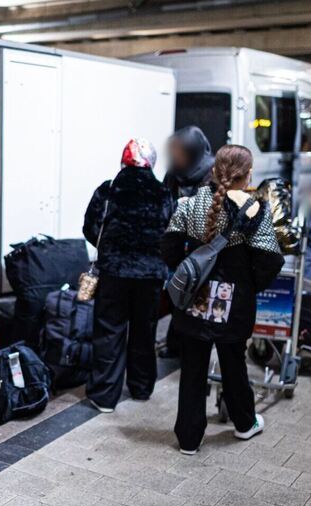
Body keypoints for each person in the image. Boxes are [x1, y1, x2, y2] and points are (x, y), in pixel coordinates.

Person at [162, 145, 284, 454]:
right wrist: (247, 286)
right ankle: (244, 424)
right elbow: (270, 260)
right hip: (235, 306)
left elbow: (169, 246)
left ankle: (189, 439)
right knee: (234, 364)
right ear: (249, 174)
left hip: (195, 300)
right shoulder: (256, 209)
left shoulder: (190, 203)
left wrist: (189, 268)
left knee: (192, 368)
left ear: (215, 171)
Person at [82, 139, 171, 413]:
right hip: (151, 274)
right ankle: (142, 387)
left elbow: (90, 228)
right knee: (145, 329)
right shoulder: (164, 194)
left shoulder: (109, 190)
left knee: (110, 330)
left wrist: (111, 249)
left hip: (115, 272)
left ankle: (105, 396)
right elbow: (171, 233)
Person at [159, 126, 216, 359]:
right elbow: (165, 199)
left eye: (182, 153)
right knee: (177, 295)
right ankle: (175, 343)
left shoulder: (211, 172)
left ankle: (192, 347)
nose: (177, 158)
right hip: (176, 242)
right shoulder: (174, 173)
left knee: (196, 297)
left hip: (200, 245)